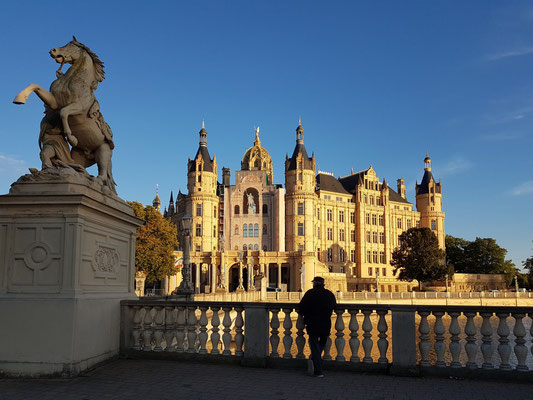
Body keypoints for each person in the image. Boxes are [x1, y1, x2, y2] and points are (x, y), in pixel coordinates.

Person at [298, 276, 337, 377]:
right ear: (323, 284)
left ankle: (318, 370)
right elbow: (334, 306)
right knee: (322, 344)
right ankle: (315, 359)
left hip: (312, 323)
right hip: (325, 323)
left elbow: (301, 308)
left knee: (314, 345)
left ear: (314, 284)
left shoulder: (310, 293)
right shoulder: (329, 294)